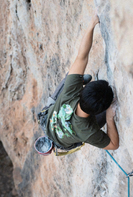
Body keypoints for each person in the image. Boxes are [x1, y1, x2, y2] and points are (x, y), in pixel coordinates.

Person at [43, 14, 119, 151]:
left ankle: (78, 78)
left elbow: (82, 56)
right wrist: (109, 118)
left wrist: (91, 25)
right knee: (71, 80)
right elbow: (113, 145)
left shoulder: (70, 93)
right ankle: (78, 78)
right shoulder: (88, 132)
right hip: (59, 137)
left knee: (70, 79)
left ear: (82, 91)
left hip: (47, 120)